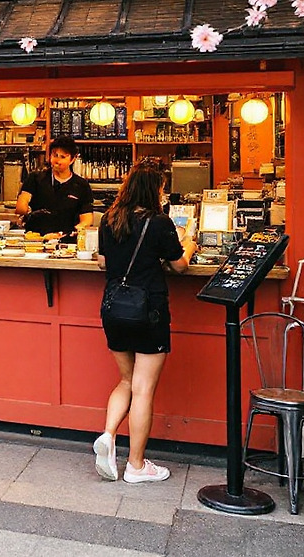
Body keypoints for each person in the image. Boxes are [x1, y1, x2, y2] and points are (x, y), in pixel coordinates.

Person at [92, 160, 196, 484]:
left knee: (126, 381)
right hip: (148, 310)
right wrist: (190, 244)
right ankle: (136, 465)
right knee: (143, 388)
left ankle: (108, 436)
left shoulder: (110, 218)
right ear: (155, 189)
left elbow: (102, 262)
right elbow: (180, 266)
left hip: (113, 309)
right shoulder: (160, 222)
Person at [16, 137, 94, 237]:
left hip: (66, 241)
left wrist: (75, 230)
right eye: (55, 155)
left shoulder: (81, 185)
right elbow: (21, 204)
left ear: (72, 159)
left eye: (63, 157)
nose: (58, 161)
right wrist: (25, 210)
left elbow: (87, 219)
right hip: (36, 239)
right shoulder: (35, 178)